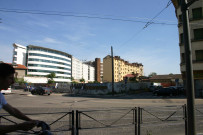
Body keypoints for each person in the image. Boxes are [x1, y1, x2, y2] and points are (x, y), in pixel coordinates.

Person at [0, 63, 38, 134]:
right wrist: (18, 127)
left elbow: (13, 111)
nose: (13, 82)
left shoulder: (0, 96)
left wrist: (30, 120)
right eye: (10, 78)